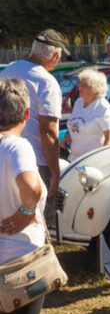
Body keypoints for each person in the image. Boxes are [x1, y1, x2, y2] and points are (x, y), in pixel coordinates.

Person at [0, 77, 63, 314]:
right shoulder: (16, 147)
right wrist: (27, 209)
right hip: (19, 264)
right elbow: (33, 186)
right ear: (26, 113)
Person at [0, 29, 68, 225]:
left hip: (5, 150)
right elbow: (48, 132)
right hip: (36, 160)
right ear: (55, 56)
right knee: (36, 221)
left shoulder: (9, 70)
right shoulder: (47, 82)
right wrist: (55, 173)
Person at [61, 68, 110, 161]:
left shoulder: (103, 106)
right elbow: (76, 123)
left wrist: (102, 158)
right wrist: (68, 137)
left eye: (84, 85)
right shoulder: (79, 102)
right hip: (74, 159)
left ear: (96, 89)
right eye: (80, 84)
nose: (80, 87)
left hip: (92, 161)